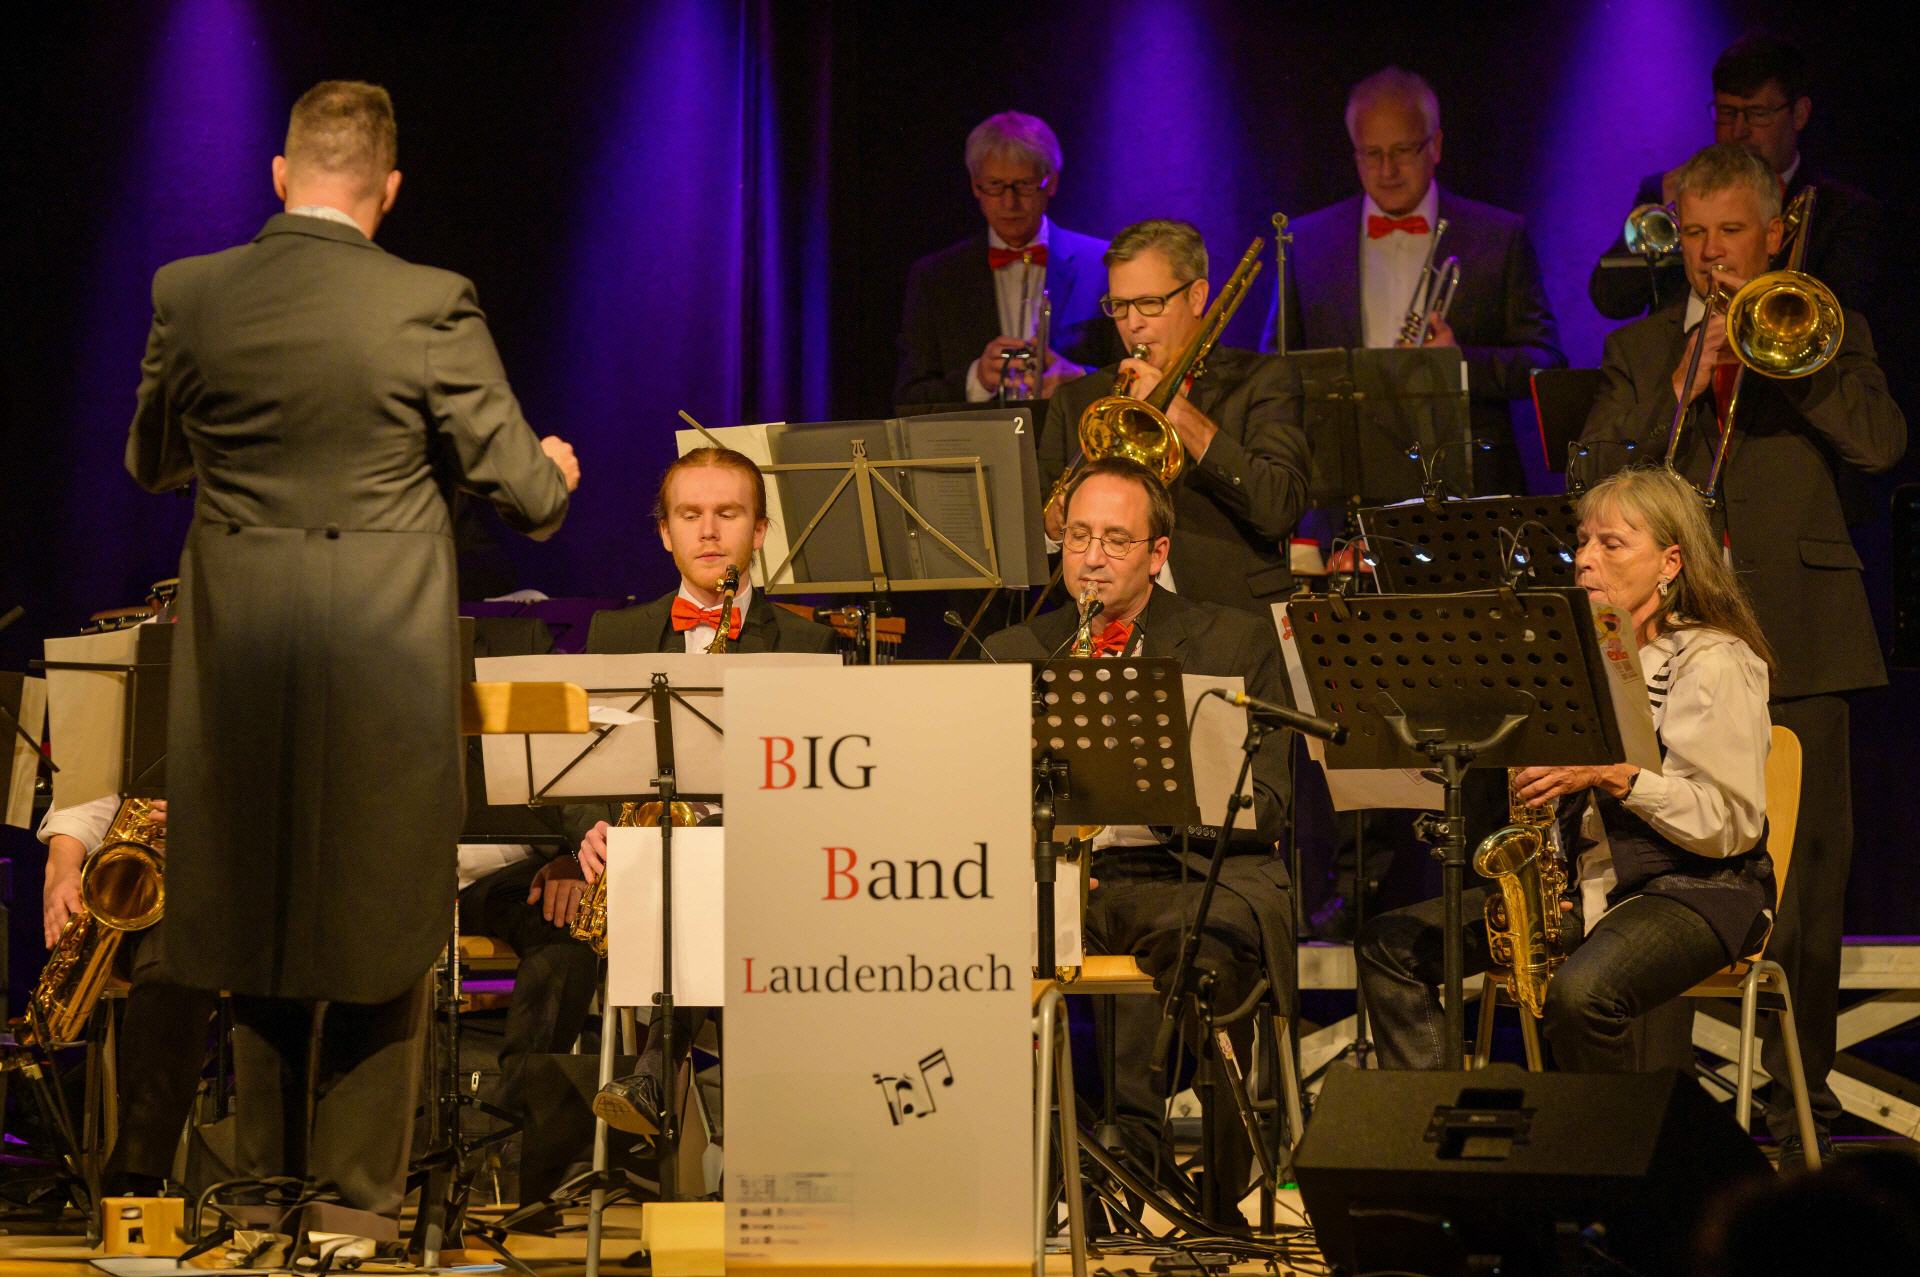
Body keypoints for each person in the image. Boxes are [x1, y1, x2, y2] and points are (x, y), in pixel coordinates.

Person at [125, 80, 579, 1224]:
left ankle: (263, 1194)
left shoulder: (190, 291)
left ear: (281, 176)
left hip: (239, 654)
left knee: (256, 904)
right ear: (390, 188)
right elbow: (528, 496)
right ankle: (350, 1209)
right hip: (381, 653)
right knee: (379, 915)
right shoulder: (428, 301)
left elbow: (152, 459)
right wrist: (555, 470)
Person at [1580, 142, 1905, 1165]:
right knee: (1655, 867)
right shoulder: (1643, 347)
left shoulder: (1827, 328)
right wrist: (1684, 378)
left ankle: (1794, 1108)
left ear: (1775, 234)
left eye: (1732, 232)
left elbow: (1883, 445)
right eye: (1695, 233)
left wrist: (1785, 365)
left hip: (1804, 635)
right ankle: (1659, 1117)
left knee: (1805, 887)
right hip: (1662, 646)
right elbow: (1592, 475)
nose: (1712, 253)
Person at [1357, 467, 1777, 1075]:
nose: (1583, 560)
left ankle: (1615, 1138)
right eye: (1581, 542)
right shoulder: (1567, 655)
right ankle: (1435, 1122)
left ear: (1671, 562)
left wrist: (1614, 775)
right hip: (1579, 886)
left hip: (1695, 888)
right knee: (1389, 945)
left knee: (1582, 996)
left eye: (1611, 544)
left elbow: (1730, 824)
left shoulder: (1712, 659)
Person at [985, 457, 1295, 1225]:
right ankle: (1053, 1181)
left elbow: (1271, 803)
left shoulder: (1232, 640)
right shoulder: (1014, 649)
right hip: (1065, 879)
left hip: (1192, 871)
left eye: (1115, 540)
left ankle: (1207, 1193)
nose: (1091, 557)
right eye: (1078, 536)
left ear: (1157, 554)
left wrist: (1162, 792)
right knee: (967, 945)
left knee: (1208, 952)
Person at [566, 448, 837, 1138]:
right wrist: (589, 826)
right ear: (665, 532)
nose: (709, 531)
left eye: (728, 514)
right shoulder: (617, 633)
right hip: (643, 871)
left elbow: (824, 785)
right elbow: (575, 765)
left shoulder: (807, 643)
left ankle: (660, 1064)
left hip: (770, 874)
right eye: (690, 515)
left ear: (761, 530)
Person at [1262, 66, 1564, 496]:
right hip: (1343, 483)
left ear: (1435, 145)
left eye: (1402, 150)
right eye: (1371, 153)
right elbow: (1275, 368)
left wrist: (1458, 364)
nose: (1387, 169)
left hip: (1469, 483)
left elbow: (1545, 362)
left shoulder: (1498, 236)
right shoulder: (1306, 242)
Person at [1042, 219, 1311, 615]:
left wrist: (1177, 411)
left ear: (1197, 297)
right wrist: (1055, 525)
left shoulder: (1262, 380)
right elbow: (1039, 543)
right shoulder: (1078, 400)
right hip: (1105, 620)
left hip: (1231, 620)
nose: (1133, 324)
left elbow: (1278, 509)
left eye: (1150, 303)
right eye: (1119, 306)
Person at [1588, 33, 1883, 325]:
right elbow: (1611, 300)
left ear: (1799, 114)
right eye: (1727, 113)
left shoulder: (1843, 211)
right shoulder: (1668, 192)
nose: (1739, 131)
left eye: (1758, 113)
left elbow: (1843, 318)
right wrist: (1667, 214)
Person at [37, 795, 220, 1197]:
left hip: (242, 879)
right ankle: (137, 1176)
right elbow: (88, 792)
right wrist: (61, 868)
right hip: (160, 893)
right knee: (171, 965)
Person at [895, 111, 1122, 406]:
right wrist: (977, 379)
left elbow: (1140, 374)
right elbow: (909, 401)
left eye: (1024, 185)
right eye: (994, 185)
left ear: (1051, 182)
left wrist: (1081, 381)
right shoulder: (934, 278)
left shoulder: (1104, 264)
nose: (1009, 202)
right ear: (975, 186)